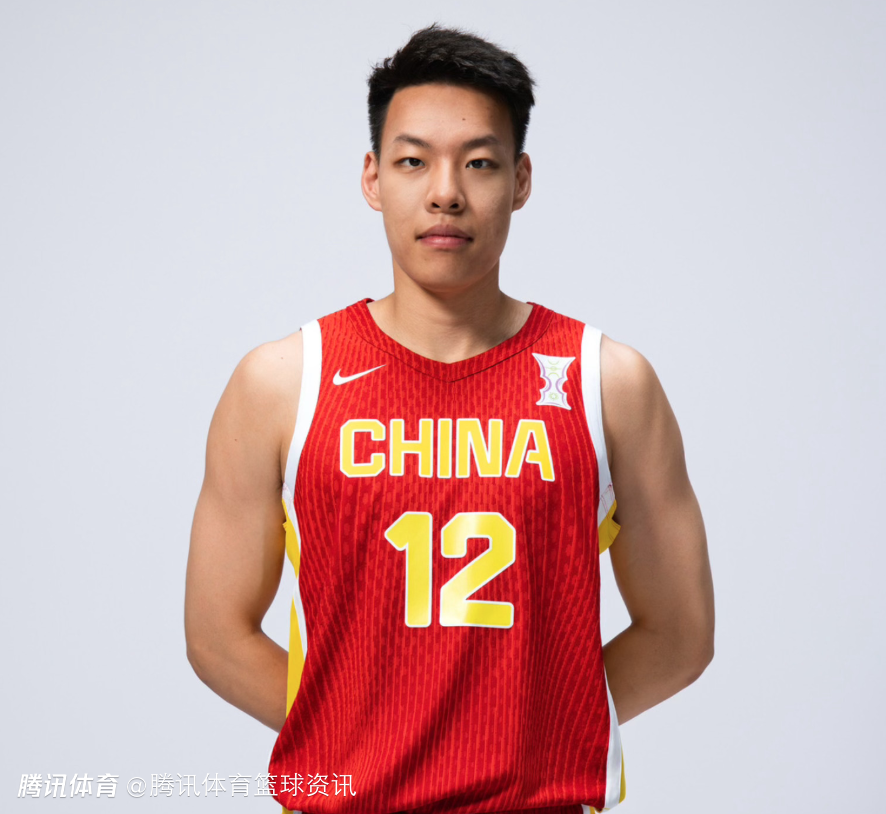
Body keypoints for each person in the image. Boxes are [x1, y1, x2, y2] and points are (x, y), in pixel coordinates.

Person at [185, 23, 714, 814]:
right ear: (372, 177)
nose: (445, 192)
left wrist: (534, 734)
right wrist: (364, 741)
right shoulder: (283, 382)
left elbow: (680, 633)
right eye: (413, 161)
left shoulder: (608, 383)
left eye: (479, 162)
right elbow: (215, 634)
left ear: (521, 179)